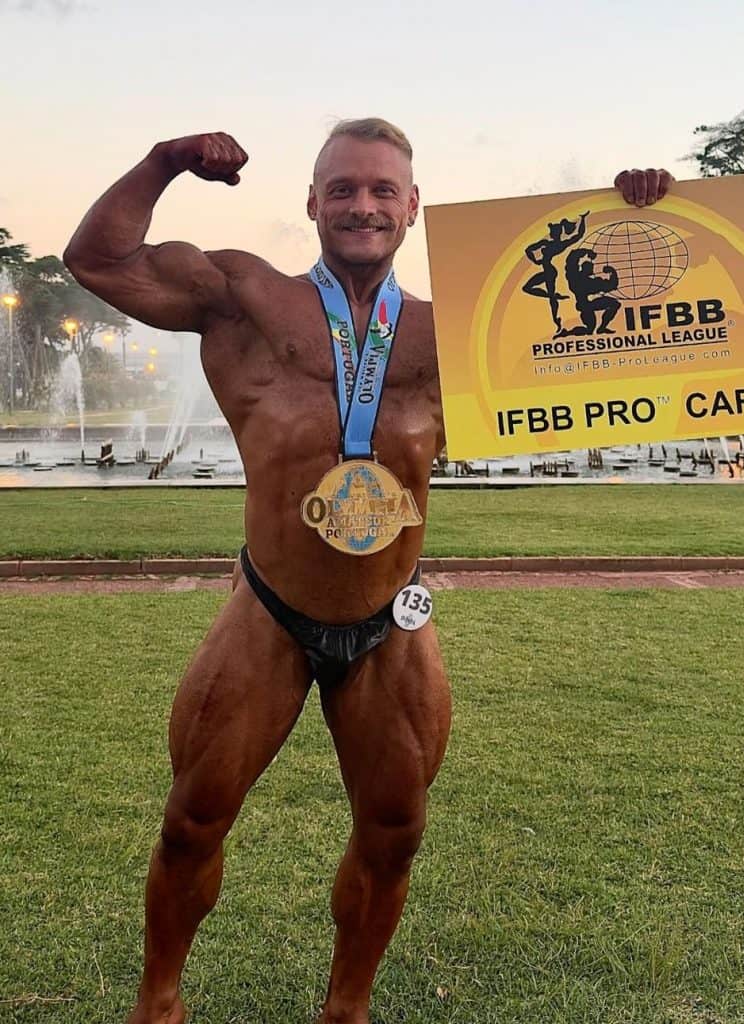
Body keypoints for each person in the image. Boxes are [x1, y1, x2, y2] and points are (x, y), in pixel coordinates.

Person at [63, 126, 672, 1024]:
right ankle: (159, 1003)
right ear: (313, 202)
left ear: (412, 207)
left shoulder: (460, 328)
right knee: (193, 819)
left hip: (391, 618)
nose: (363, 206)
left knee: (395, 833)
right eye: (343, 188)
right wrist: (164, 162)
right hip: (270, 609)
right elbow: (98, 261)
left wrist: (633, 218)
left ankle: (346, 1008)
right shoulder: (244, 298)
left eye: (384, 190)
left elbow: (625, 329)